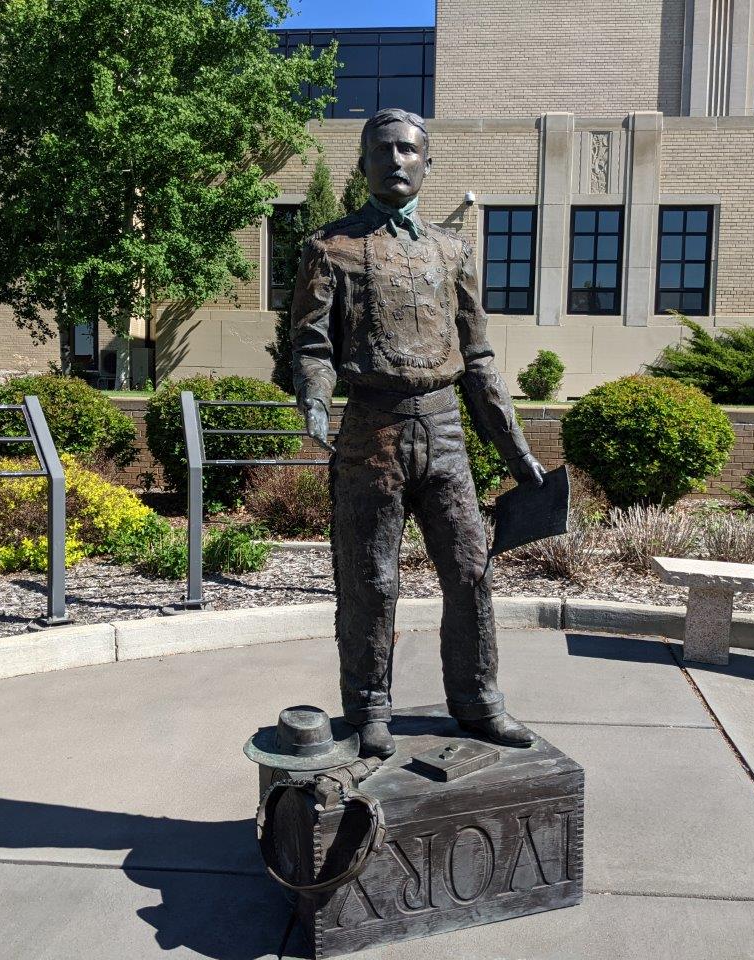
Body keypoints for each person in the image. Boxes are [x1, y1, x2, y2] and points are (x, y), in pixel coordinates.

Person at [291, 108, 545, 759]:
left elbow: (480, 361)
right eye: (384, 150)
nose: (397, 160)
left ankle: (478, 701)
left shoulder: (452, 252)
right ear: (363, 163)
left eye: (409, 150)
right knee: (371, 580)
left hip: (445, 431)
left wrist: (516, 453)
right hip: (370, 430)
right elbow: (313, 345)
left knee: (468, 571)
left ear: (427, 164)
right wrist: (316, 405)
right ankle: (370, 706)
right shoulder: (330, 250)